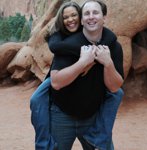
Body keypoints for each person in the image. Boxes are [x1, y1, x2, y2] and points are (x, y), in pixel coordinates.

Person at [30, 1, 124, 150]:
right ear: (83, 19)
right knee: (36, 99)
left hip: (93, 116)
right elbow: (56, 82)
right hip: (61, 115)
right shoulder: (65, 43)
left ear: (104, 17)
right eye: (87, 13)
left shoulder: (112, 45)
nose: (91, 17)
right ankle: (42, 145)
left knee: (118, 93)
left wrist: (108, 63)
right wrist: (83, 63)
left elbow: (114, 87)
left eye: (95, 13)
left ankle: (99, 137)